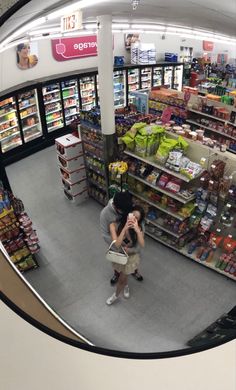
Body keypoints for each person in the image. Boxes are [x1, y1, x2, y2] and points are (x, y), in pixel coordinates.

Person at [100, 192, 143, 285]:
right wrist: (119, 247)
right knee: (118, 262)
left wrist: (136, 244)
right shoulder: (105, 214)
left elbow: (140, 223)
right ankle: (117, 274)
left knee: (133, 260)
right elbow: (105, 235)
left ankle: (134, 271)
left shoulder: (129, 206)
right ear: (117, 208)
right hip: (117, 247)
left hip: (131, 242)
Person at [106, 205, 145, 305]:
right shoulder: (117, 224)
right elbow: (117, 244)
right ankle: (126, 286)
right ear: (128, 214)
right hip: (119, 254)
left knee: (122, 278)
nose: (133, 220)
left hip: (130, 257)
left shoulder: (138, 229)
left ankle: (115, 295)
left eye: (136, 219)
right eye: (132, 216)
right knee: (123, 274)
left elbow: (142, 244)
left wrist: (137, 231)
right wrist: (124, 229)